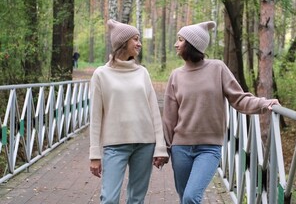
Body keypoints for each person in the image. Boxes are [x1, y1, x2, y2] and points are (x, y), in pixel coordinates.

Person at [162, 21, 280, 203]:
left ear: (192, 44)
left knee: (191, 197)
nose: (176, 44)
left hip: (209, 148)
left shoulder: (217, 68)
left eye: (180, 40)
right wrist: (165, 149)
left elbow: (239, 99)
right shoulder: (176, 75)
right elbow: (169, 118)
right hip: (181, 148)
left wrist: (264, 104)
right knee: (184, 197)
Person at [89, 19, 169, 204]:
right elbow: (95, 117)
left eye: (139, 38)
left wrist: (160, 147)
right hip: (115, 145)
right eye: (135, 39)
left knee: (136, 199)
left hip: (145, 144)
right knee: (109, 199)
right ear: (122, 43)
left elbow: (154, 113)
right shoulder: (101, 74)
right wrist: (94, 155)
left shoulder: (143, 73)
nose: (139, 43)